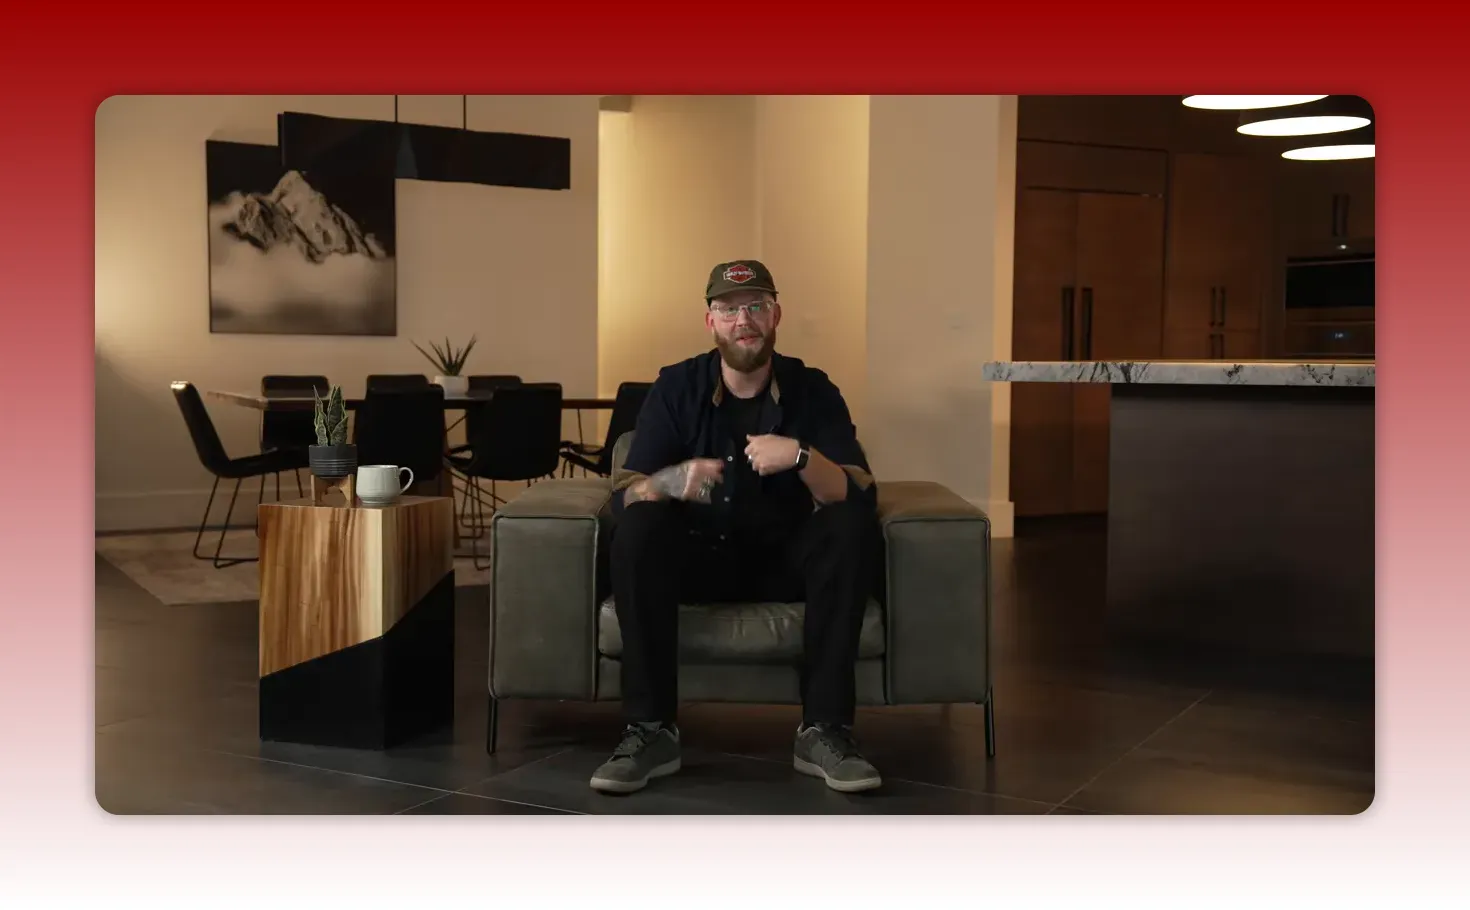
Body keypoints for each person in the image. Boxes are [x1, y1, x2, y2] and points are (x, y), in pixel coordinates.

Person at [592, 259, 883, 795]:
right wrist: (672, 479)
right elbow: (624, 494)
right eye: (728, 309)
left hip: (786, 562)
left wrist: (799, 456)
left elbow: (856, 492)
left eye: (755, 307)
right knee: (639, 526)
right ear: (710, 322)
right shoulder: (677, 386)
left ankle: (824, 730)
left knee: (847, 525)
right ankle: (651, 730)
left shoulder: (813, 389)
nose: (742, 320)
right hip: (699, 559)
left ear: (776, 316)